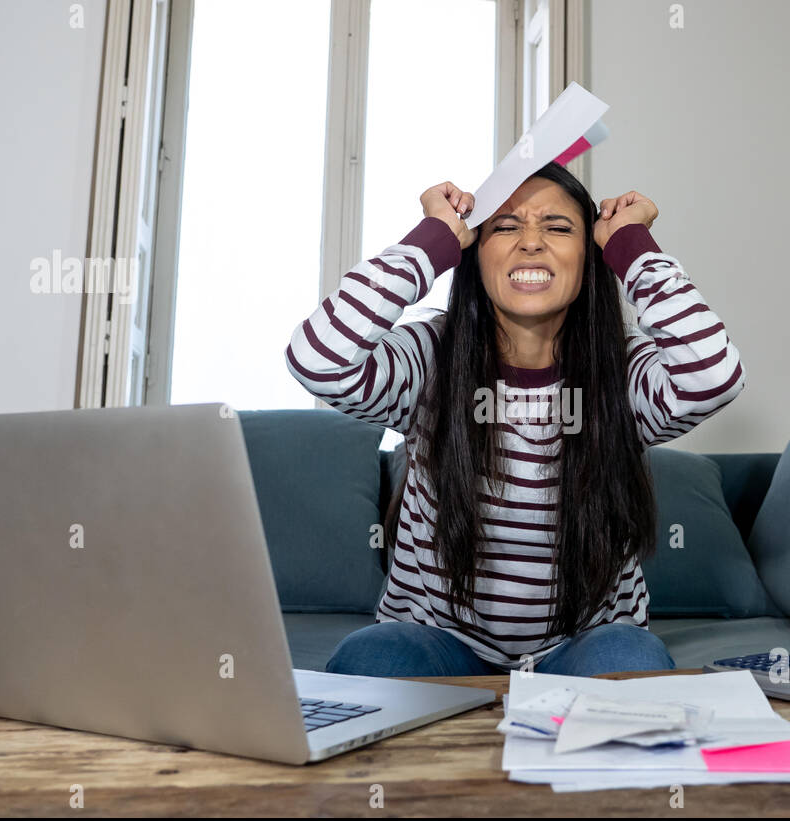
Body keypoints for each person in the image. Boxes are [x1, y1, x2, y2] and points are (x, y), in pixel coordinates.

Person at [286, 161, 744, 677]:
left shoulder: (624, 370)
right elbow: (318, 358)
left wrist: (631, 245)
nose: (531, 242)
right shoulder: (431, 354)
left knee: (628, 656)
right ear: (473, 256)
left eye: (558, 227)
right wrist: (432, 241)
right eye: (504, 226)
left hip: (582, 645)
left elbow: (713, 376)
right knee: (374, 655)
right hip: (439, 642)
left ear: (590, 259)